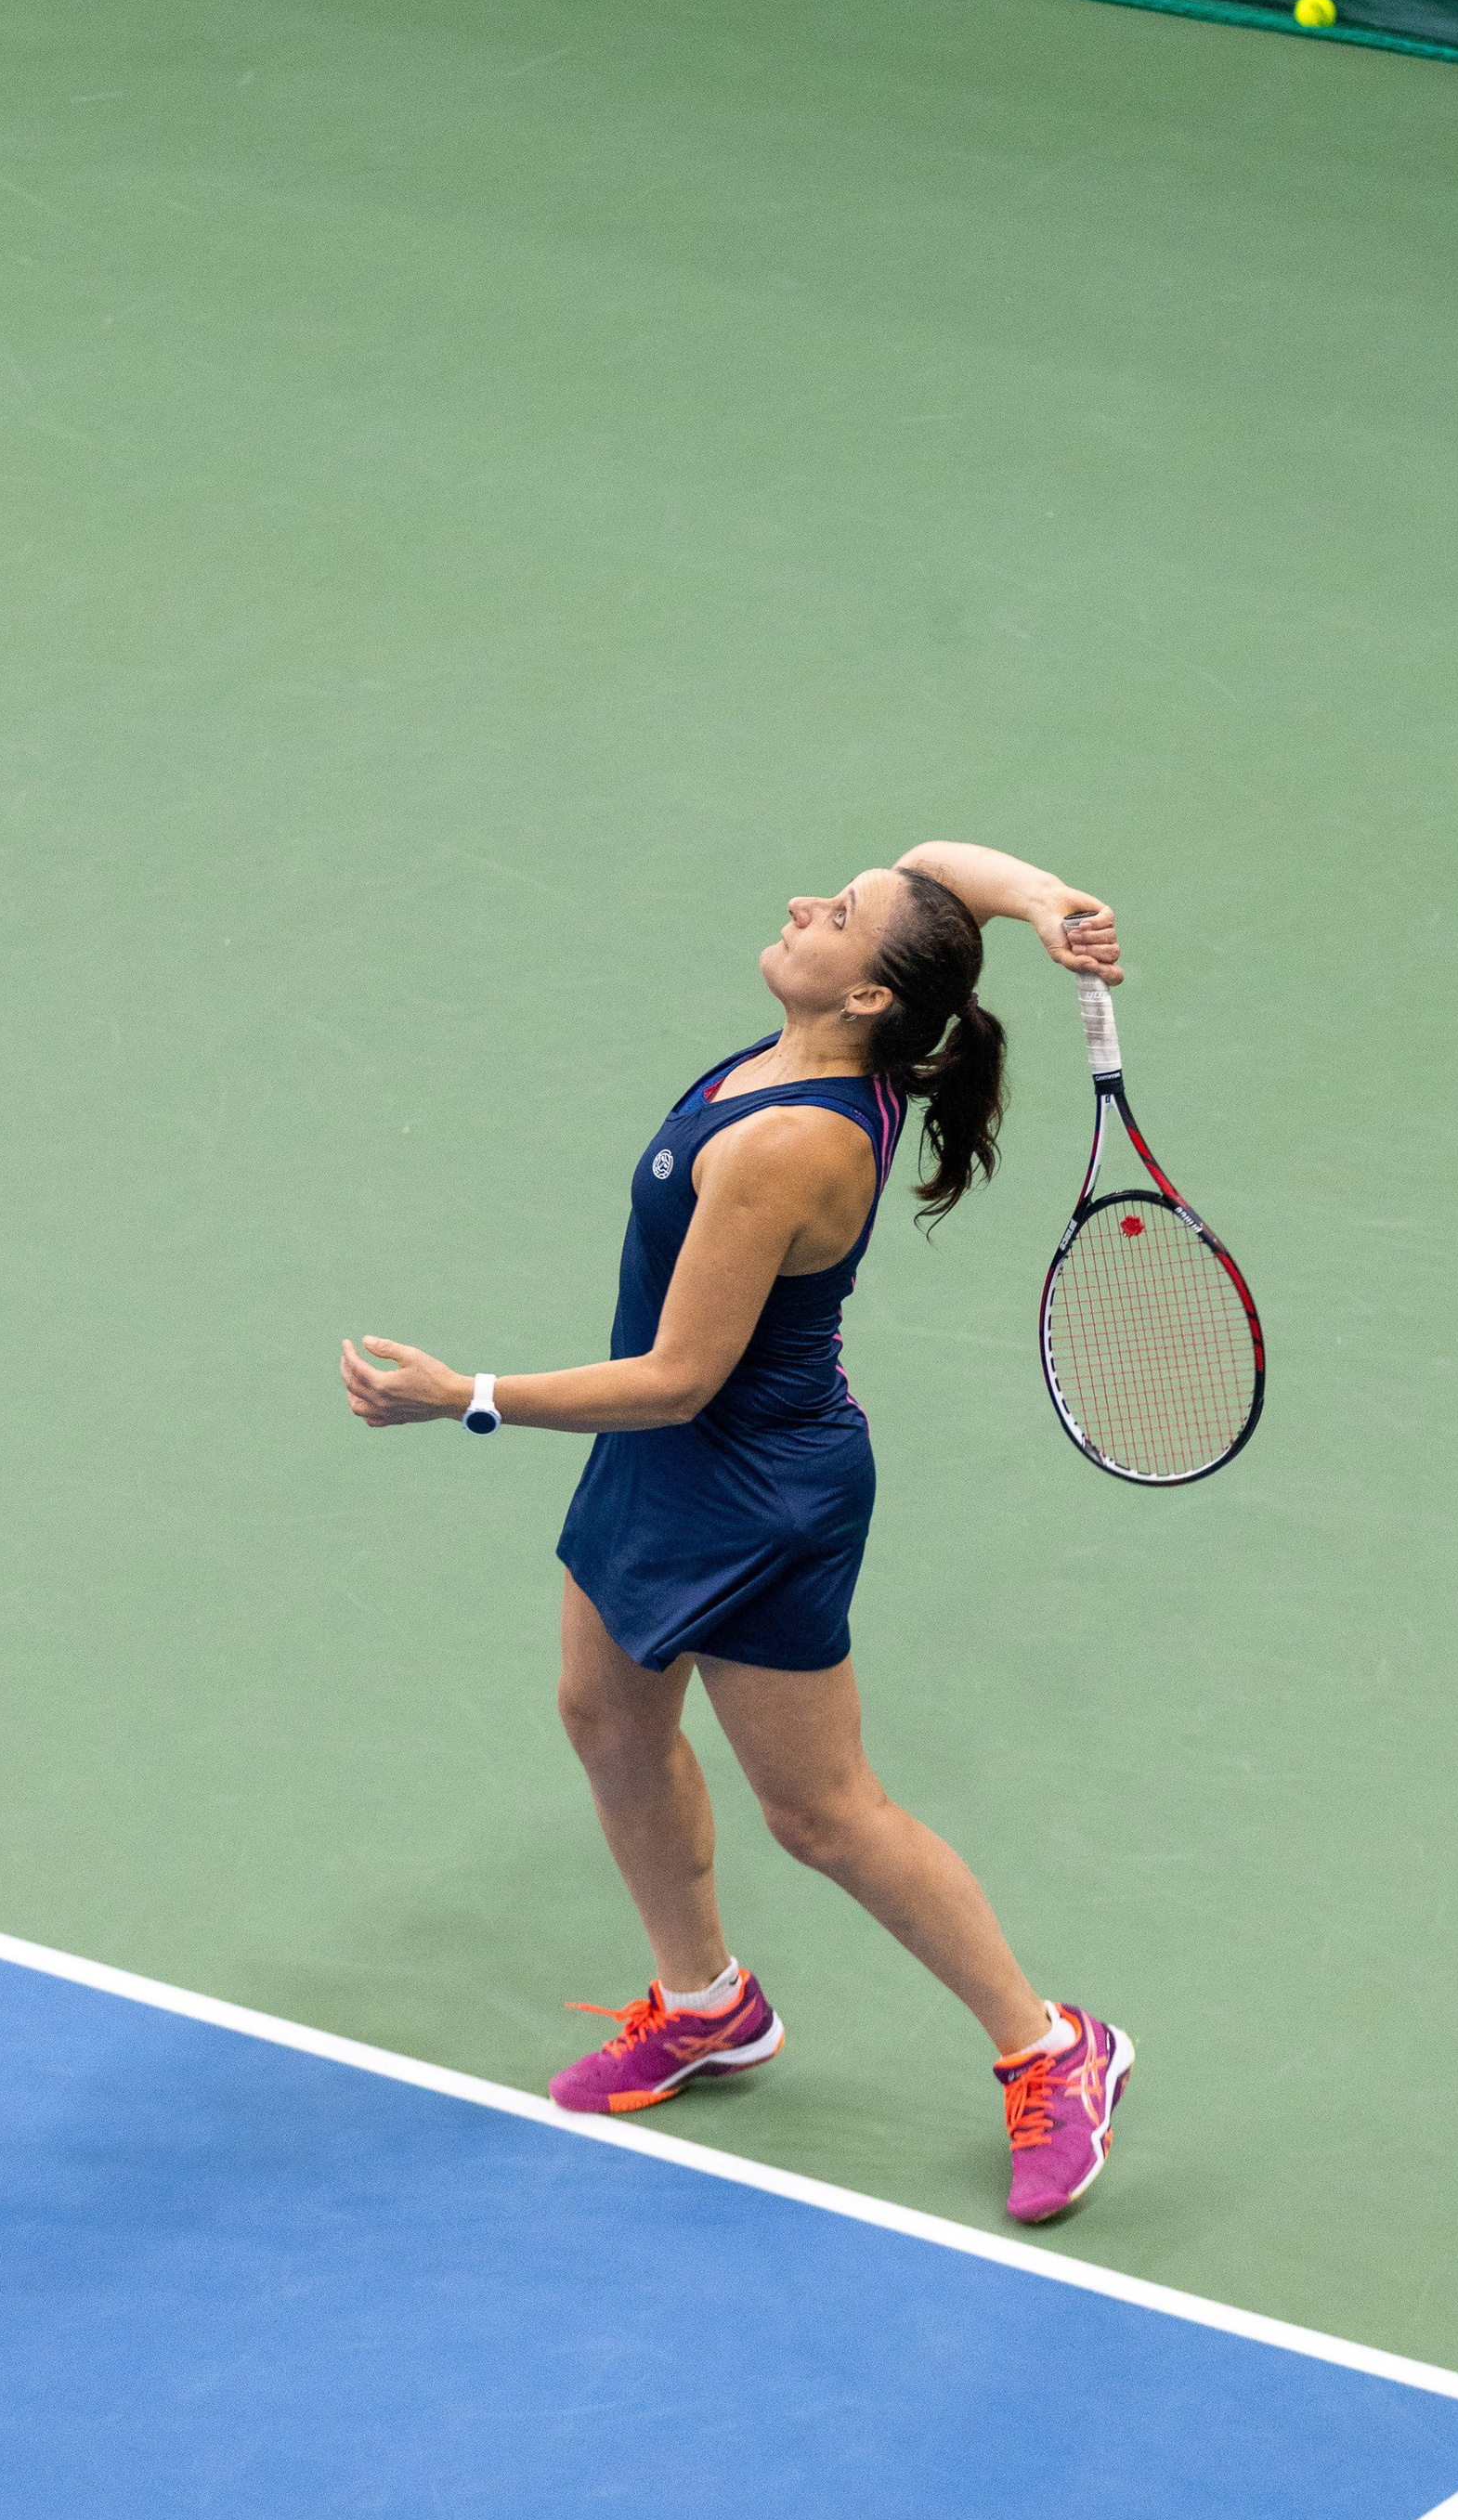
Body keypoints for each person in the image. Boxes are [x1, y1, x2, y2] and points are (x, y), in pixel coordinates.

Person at [341, 844, 1133, 2225]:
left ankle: (1054, 2048)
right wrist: (1050, 901)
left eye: (831, 917)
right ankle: (709, 2000)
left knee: (822, 1812)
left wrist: (461, 1398)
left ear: (875, 995)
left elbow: (675, 1376)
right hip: (665, 1469)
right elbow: (934, 864)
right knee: (606, 1719)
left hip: (758, 1490)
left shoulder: (792, 1141)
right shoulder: (810, 1047)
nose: (797, 906)